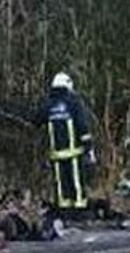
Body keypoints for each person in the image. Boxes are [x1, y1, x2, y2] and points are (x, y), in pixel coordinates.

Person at [35, 73, 97, 219]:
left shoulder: (48, 104)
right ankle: (80, 210)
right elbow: (82, 126)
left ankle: (64, 211)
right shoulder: (74, 103)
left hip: (56, 153)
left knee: (61, 183)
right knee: (76, 181)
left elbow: (36, 120)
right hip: (74, 152)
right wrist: (89, 147)